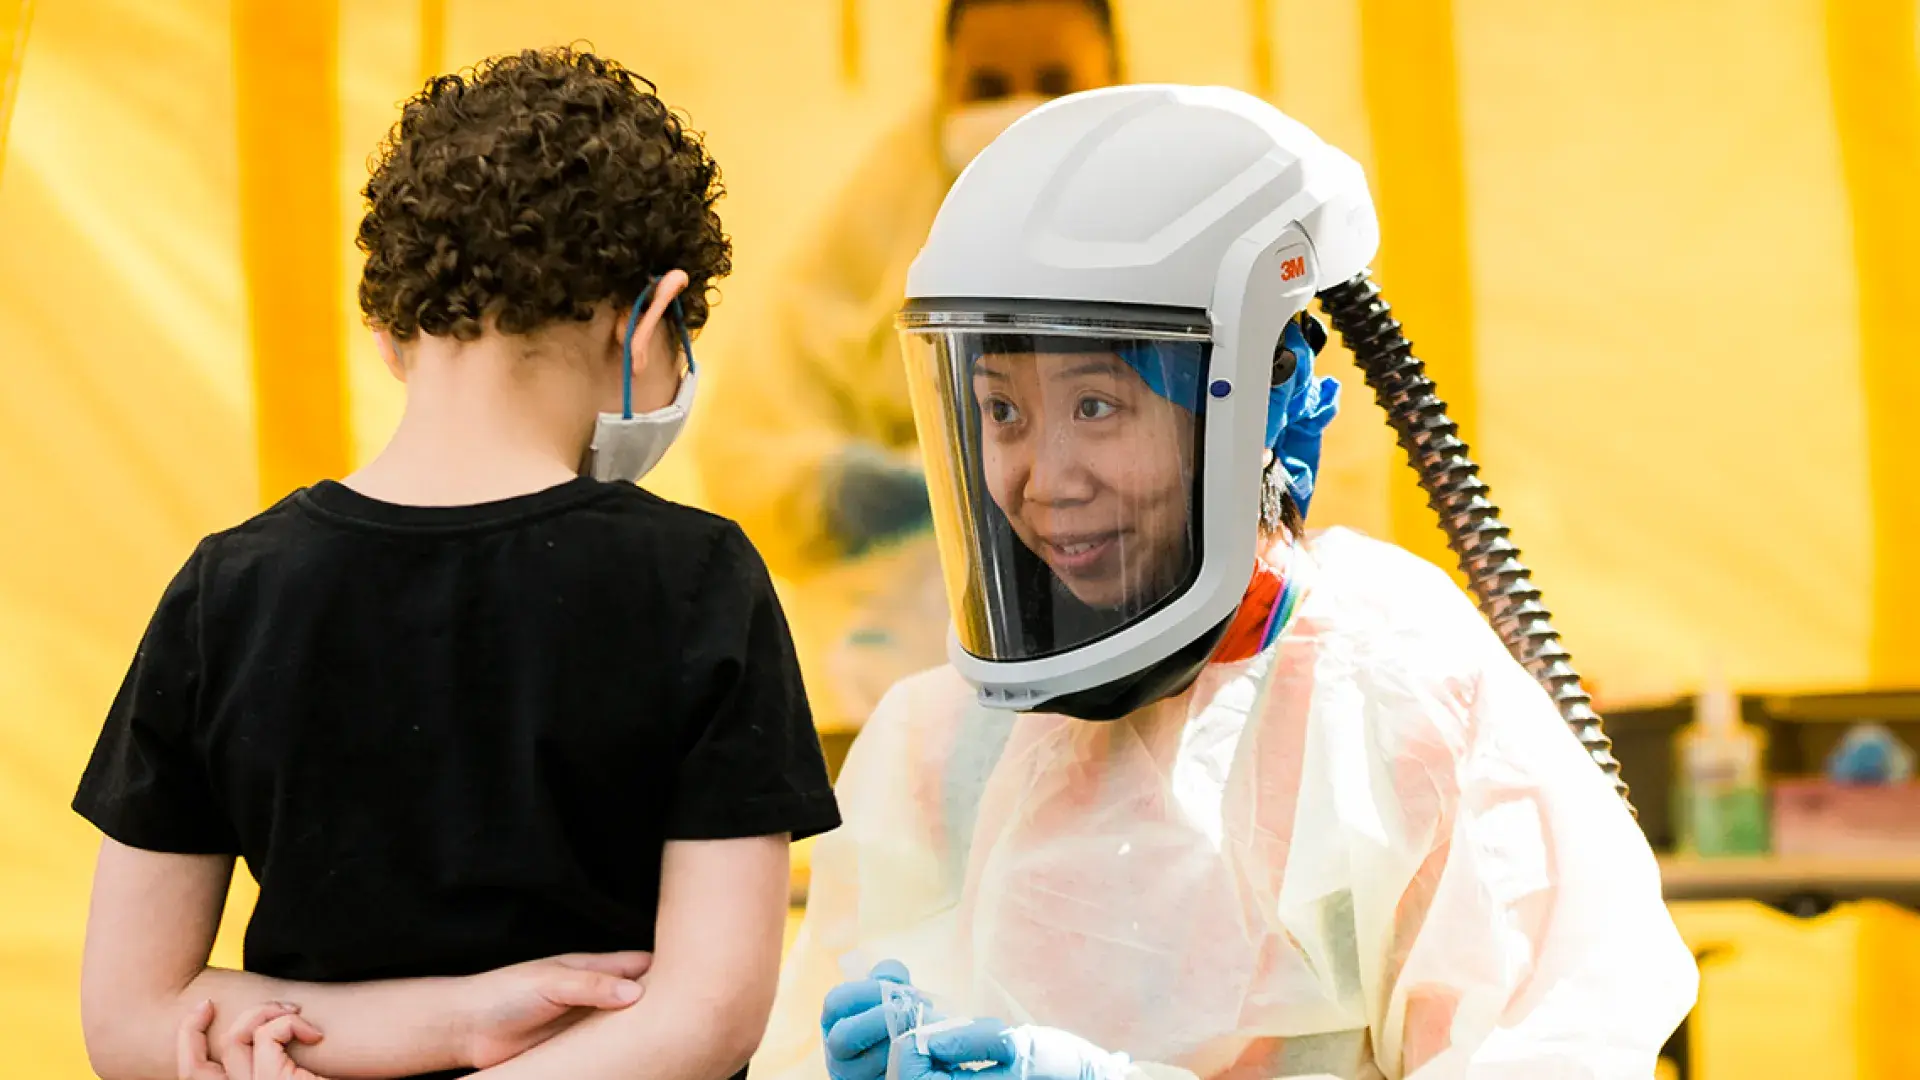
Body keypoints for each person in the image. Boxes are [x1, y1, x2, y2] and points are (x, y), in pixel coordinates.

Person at [754, 84, 1697, 1080]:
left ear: (1256, 402)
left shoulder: (1397, 700)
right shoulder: (939, 742)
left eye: (1097, 405)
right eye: (1002, 412)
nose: (1045, 480)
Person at [73, 48, 839, 1080]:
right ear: (650, 319)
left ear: (389, 331)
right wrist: (474, 1022)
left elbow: (131, 1018)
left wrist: (446, 1024)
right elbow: (705, 1018)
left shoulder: (227, 590)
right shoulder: (701, 580)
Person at [689, 0, 1123, 740]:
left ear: (1114, 84)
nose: (1018, 111)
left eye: (1055, 83)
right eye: (987, 88)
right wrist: (847, 492)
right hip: (891, 689)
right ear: (942, 89)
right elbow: (745, 445)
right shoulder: (866, 240)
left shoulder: (1186, 238)